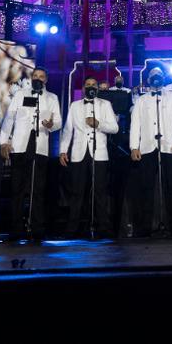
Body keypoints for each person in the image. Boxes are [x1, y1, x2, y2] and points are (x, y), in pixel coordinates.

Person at [0, 67, 61, 240]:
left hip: (39, 146)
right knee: (17, 188)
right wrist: (4, 141)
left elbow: (58, 122)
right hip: (20, 145)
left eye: (41, 77)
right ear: (31, 78)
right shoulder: (20, 94)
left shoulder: (52, 97)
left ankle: (36, 227)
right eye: (35, 76)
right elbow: (9, 118)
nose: (38, 79)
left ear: (46, 80)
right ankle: (16, 227)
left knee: (38, 189)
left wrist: (51, 125)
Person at [130, 67, 172, 236]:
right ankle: (145, 228)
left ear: (164, 78)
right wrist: (134, 146)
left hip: (169, 146)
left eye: (160, 75)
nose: (157, 77)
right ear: (148, 79)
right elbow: (136, 124)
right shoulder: (141, 100)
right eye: (153, 75)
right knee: (146, 188)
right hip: (147, 147)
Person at [59, 77, 118, 237]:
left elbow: (114, 128)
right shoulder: (74, 105)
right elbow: (67, 130)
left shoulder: (105, 104)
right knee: (77, 192)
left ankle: (103, 227)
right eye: (88, 85)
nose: (91, 87)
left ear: (97, 88)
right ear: (84, 88)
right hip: (78, 152)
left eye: (94, 84)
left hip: (99, 153)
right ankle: (72, 229)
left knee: (100, 191)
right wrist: (63, 150)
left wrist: (98, 124)